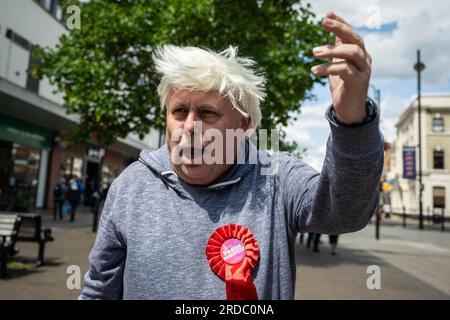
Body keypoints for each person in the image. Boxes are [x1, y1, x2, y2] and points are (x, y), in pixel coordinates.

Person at [80, 12, 383, 300]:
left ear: (243, 124)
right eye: (179, 111)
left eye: (207, 113)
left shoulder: (276, 178)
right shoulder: (131, 186)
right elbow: (99, 289)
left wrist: (351, 121)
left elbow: (345, 211)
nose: (189, 127)